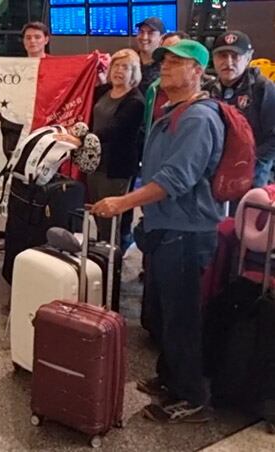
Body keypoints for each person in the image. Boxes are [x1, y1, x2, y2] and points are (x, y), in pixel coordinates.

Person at [92, 40, 223, 424]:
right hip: (167, 225)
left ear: (197, 72)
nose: (165, 67)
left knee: (182, 315)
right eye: (165, 61)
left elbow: (175, 178)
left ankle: (193, 396)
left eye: (177, 63)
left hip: (186, 230)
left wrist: (123, 203)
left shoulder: (198, 119)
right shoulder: (173, 110)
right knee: (166, 311)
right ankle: (170, 377)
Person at [87, 49, 145, 248]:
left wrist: (83, 138)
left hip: (116, 167)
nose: (119, 71)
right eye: (116, 66)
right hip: (94, 163)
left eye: (125, 67)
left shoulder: (135, 101)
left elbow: (115, 129)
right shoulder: (102, 91)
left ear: (134, 72)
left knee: (110, 219)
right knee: (96, 211)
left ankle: (112, 263)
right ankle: (102, 255)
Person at [207, 30, 275, 188]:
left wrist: (248, 163)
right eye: (222, 56)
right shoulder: (208, 90)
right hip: (214, 176)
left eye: (235, 56)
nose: (228, 62)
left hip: (253, 177)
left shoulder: (263, 89)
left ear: (249, 57)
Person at [135, 17, 165, 94]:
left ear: (161, 38)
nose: (144, 37)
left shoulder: (165, 67)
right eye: (141, 32)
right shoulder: (129, 61)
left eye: (150, 33)